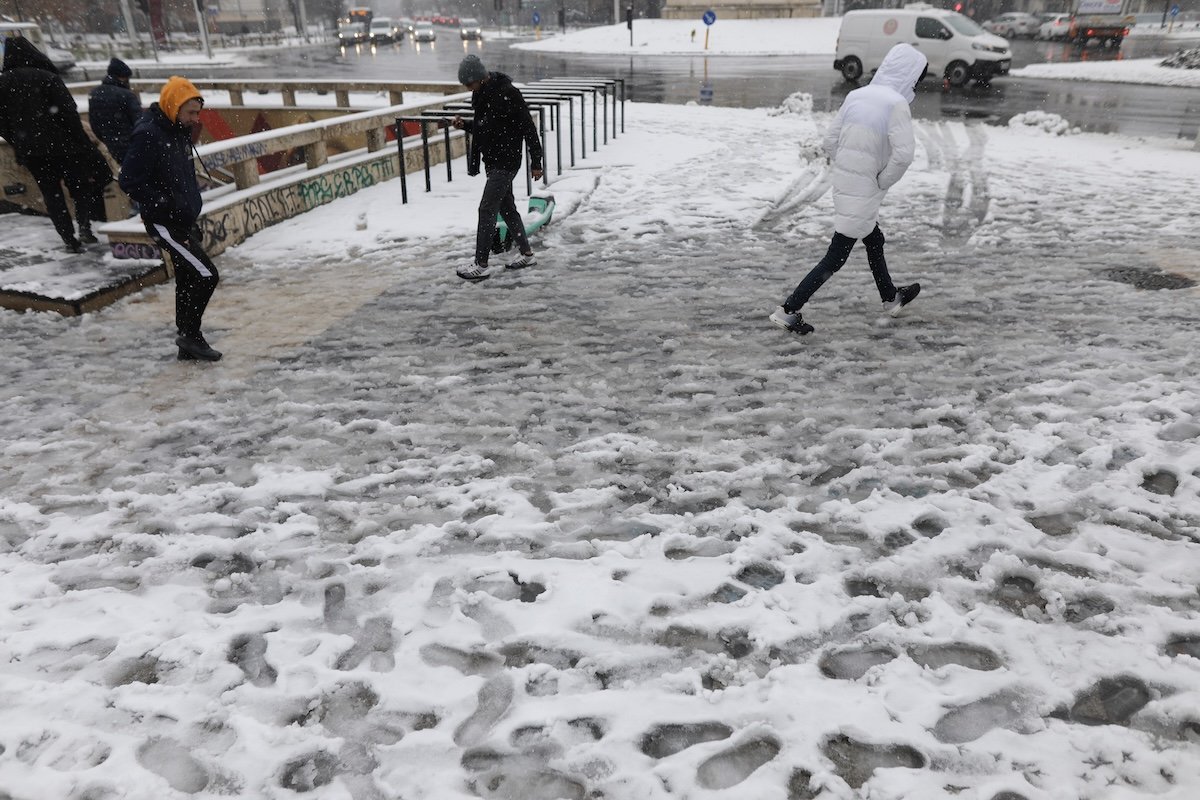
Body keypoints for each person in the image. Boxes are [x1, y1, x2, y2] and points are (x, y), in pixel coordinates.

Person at [770, 43, 927, 337]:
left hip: (844, 183)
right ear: (910, 75)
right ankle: (788, 310)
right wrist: (882, 180)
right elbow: (904, 156)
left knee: (874, 238)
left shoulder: (857, 95)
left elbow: (830, 142)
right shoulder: (896, 104)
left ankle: (891, 298)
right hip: (866, 187)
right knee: (836, 256)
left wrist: (851, 165)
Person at [119, 76, 222, 362]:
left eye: (198, 113)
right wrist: (165, 202)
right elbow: (128, 180)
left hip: (182, 220)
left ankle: (186, 342)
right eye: (191, 112)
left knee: (188, 278)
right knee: (206, 275)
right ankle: (191, 336)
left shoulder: (178, 130)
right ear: (174, 106)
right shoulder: (149, 134)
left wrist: (188, 209)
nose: (195, 119)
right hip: (164, 222)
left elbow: (181, 176)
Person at [0, 37, 112, 253]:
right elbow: (69, 114)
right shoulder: (48, 78)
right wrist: (82, 142)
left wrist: (18, 141)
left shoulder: (3, 84)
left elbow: (2, 124)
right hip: (65, 147)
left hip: (32, 153)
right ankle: (85, 227)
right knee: (79, 187)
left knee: (51, 194)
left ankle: (68, 239)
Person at [449, 54, 544, 282]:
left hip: (506, 161)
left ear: (480, 77)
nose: (468, 88)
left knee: (486, 209)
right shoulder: (481, 95)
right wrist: (465, 125)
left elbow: (528, 127)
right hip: (492, 161)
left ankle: (481, 264)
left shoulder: (508, 93)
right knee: (507, 209)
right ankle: (527, 254)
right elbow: (485, 127)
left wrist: (536, 162)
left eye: (469, 83)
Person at [88, 57, 142, 164]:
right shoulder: (127, 95)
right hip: (133, 145)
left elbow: (94, 124)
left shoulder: (94, 94)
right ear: (122, 77)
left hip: (112, 146)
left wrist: (107, 139)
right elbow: (140, 122)